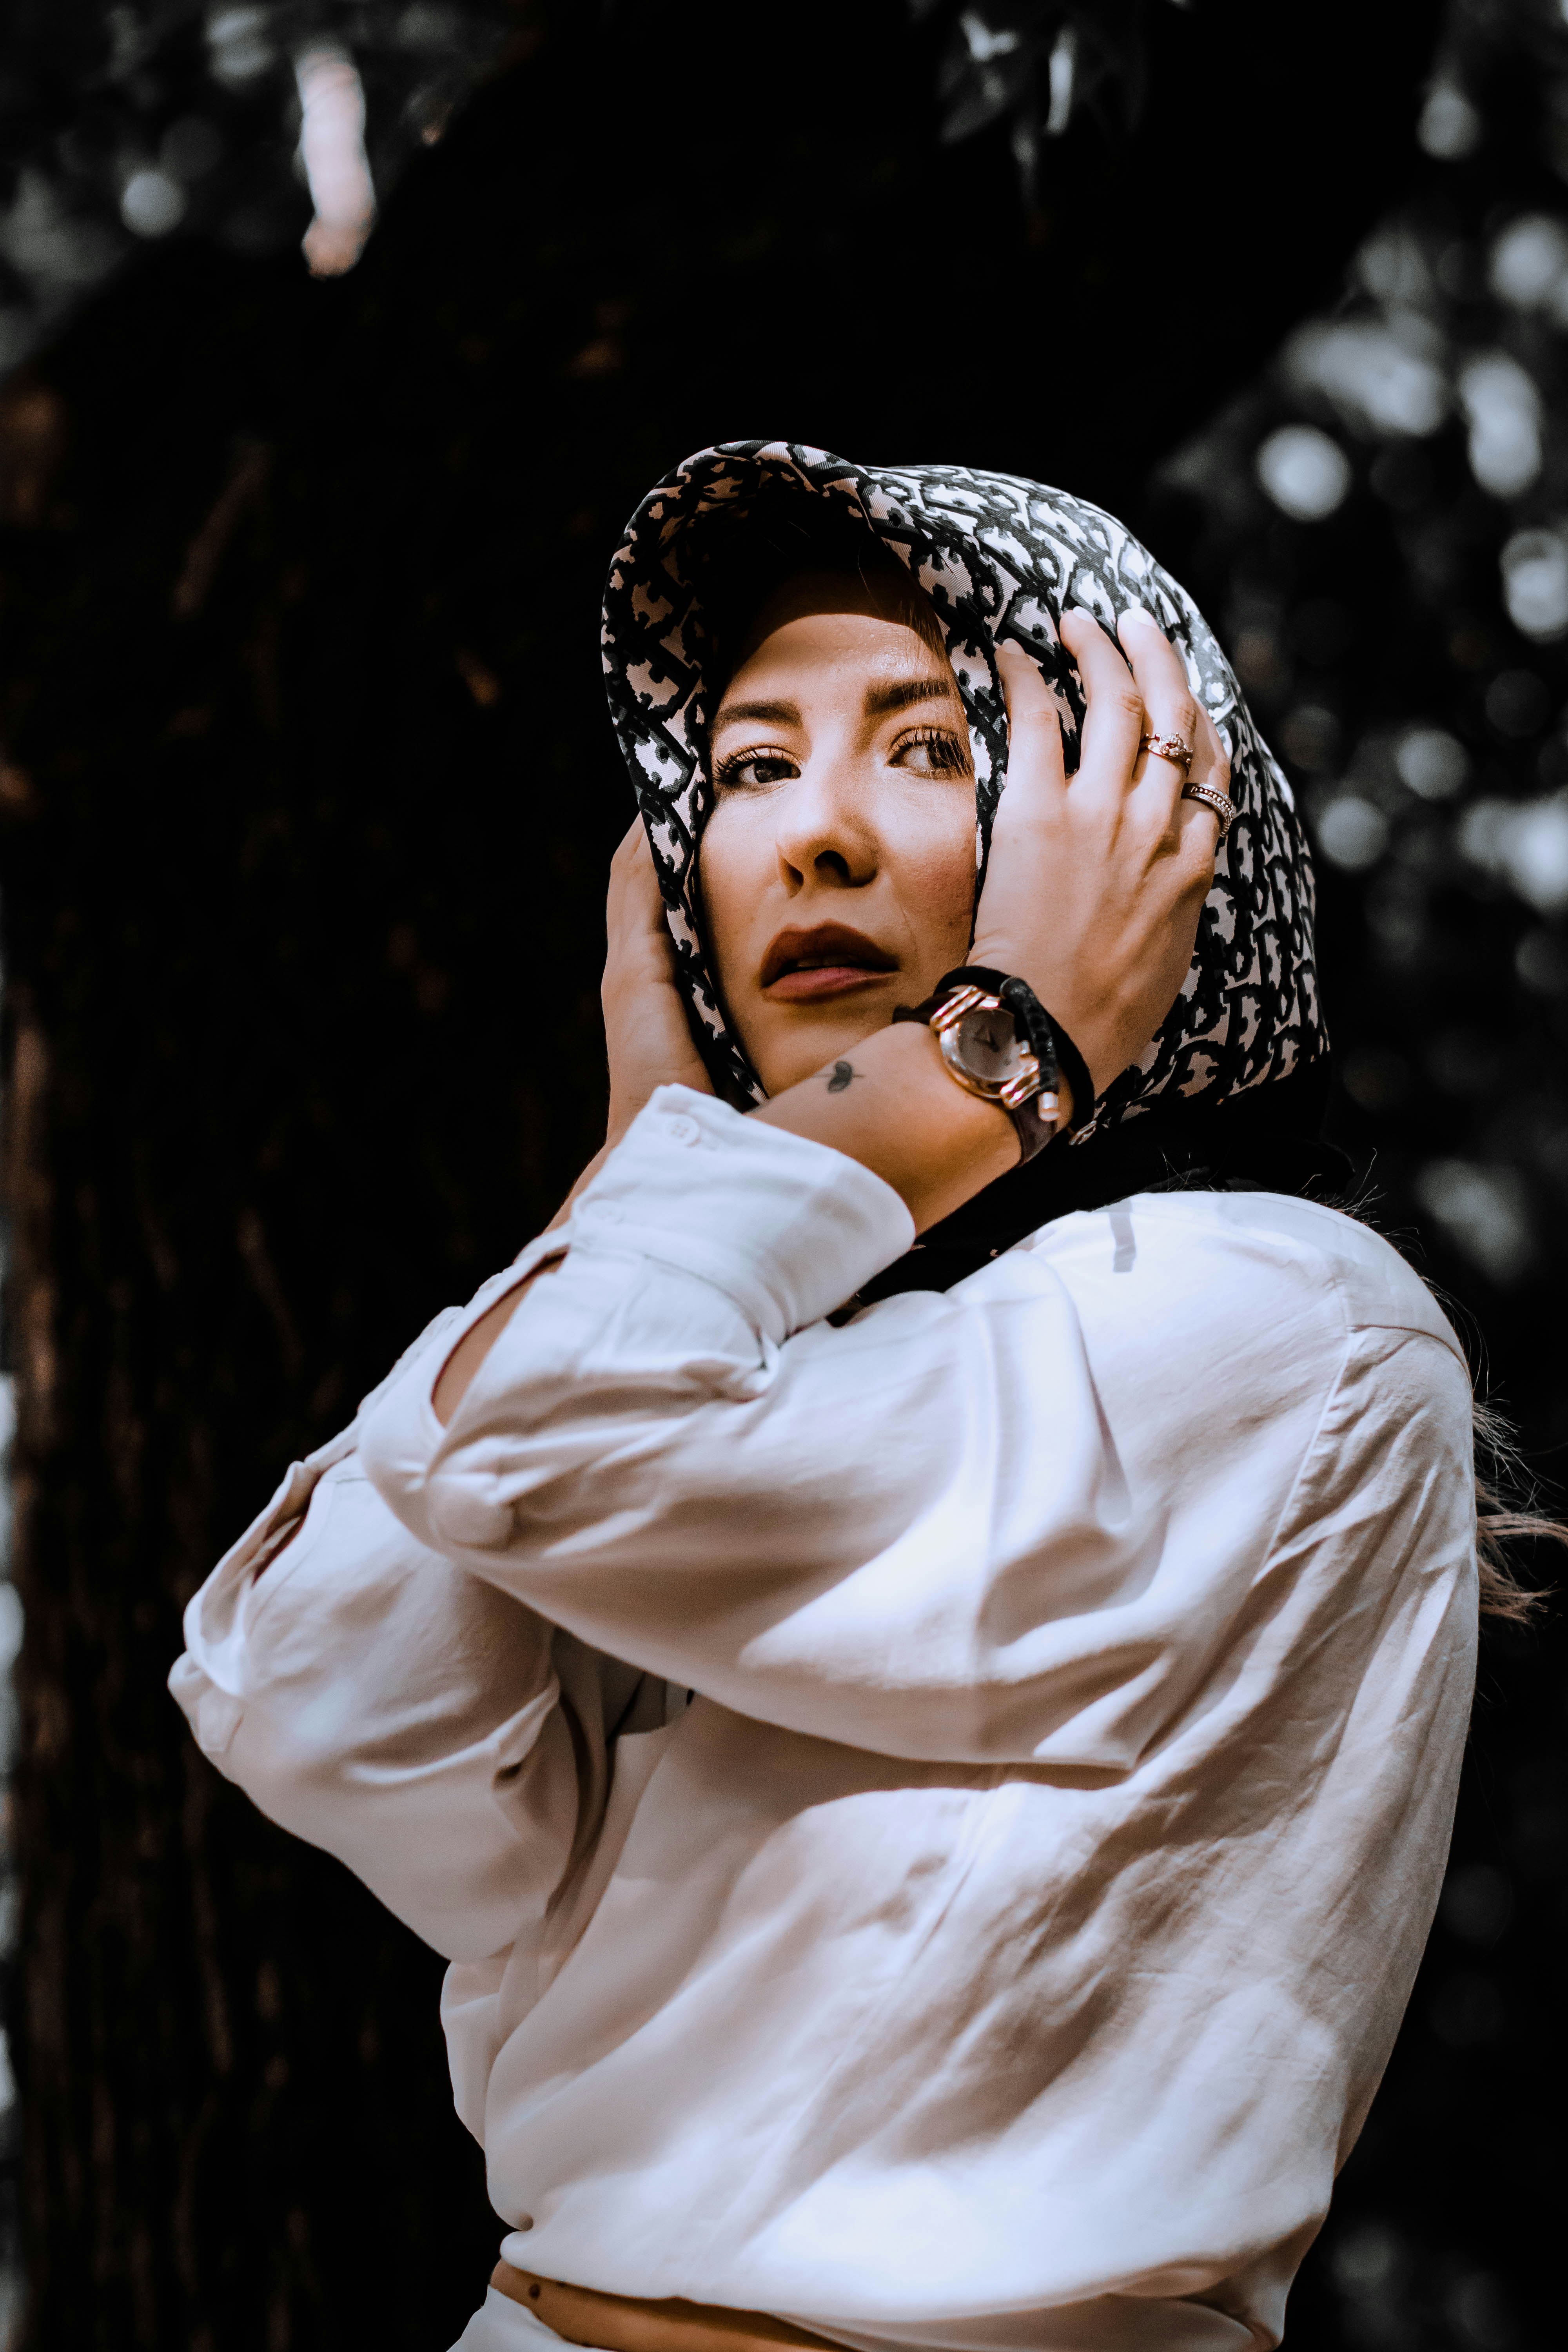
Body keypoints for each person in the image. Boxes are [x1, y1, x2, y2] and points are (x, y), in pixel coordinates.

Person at [171, 442, 1490, 2352]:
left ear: (1139, 834)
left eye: (934, 749)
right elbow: (319, 1699)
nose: (814, 838)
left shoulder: (1284, 1319)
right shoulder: (733, 1358)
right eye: (753, 768)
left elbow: (544, 1440)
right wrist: (649, 1168)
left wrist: (995, 1053)